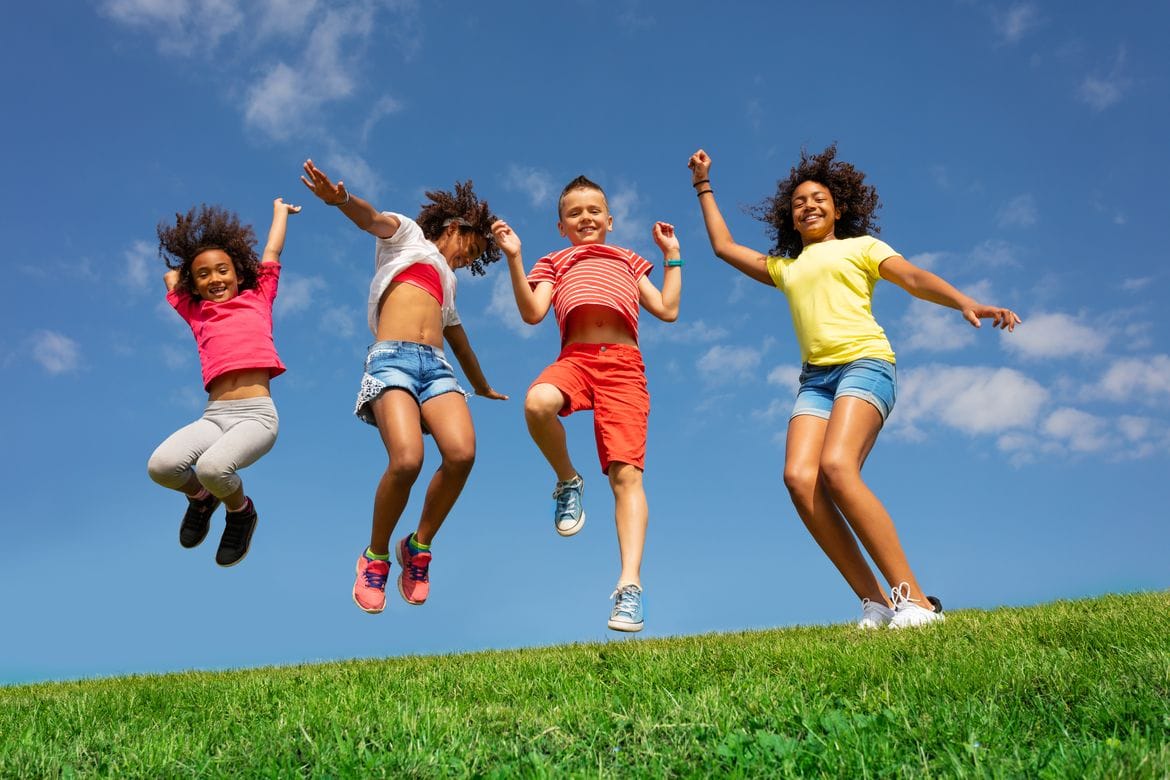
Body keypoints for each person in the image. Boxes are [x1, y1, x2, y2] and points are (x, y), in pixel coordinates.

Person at [688, 146, 1021, 629]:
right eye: (799, 202)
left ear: (838, 209)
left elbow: (911, 277)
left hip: (865, 364)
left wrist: (964, 301)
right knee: (800, 480)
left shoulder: (862, 248)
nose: (808, 205)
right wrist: (703, 184)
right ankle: (877, 603)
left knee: (838, 467)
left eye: (818, 198)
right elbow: (724, 247)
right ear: (791, 218)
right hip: (816, 380)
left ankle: (918, 604)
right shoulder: (786, 268)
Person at [300, 159, 506, 615]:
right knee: (408, 458)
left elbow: (461, 343)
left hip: (437, 368)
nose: (472, 258)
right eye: (473, 247)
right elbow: (373, 219)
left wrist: (484, 386)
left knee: (461, 454)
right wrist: (341, 201)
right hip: (391, 359)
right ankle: (374, 558)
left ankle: (418, 546)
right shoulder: (409, 238)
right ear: (455, 226)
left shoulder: (448, 285)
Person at [492, 175, 682, 632]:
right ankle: (567, 480)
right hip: (574, 358)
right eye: (574, 213)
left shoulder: (628, 260)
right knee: (537, 402)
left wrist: (671, 254)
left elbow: (668, 309)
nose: (586, 218)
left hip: (623, 366)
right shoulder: (555, 261)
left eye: (594, 210)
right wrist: (515, 258)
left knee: (626, 474)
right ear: (561, 226)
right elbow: (532, 313)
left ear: (610, 220)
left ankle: (629, 587)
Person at [148, 198, 300, 567]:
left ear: (239, 272)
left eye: (222, 270)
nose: (215, 279)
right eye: (203, 275)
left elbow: (272, 250)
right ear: (194, 285)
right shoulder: (197, 313)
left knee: (213, 468)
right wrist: (190, 261)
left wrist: (279, 212)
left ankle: (240, 512)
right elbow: (171, 278)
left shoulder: (259, 297)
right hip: (214, 417)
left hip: (256, 417)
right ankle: (202, 500)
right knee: (162, 467)